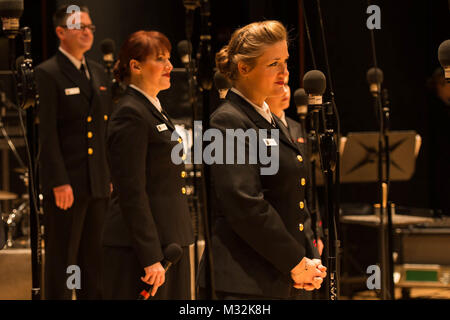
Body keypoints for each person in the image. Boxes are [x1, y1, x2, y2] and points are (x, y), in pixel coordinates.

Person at [199, 20, 327, 300]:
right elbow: (244, 204)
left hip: (281, 274)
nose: (284, 72)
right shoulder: (227, 121)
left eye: (285, 61)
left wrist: (308, 259)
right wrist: (295, 262)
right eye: (273, 64)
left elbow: (294, 199)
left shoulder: (269, 118)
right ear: (244, 68)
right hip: (243, 283)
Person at [102, 30, 194, 300]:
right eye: (161, 59)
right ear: (136, 66)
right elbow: (131, 192)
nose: (169, 66)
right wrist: (150, 255)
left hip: (170, 242)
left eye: (169, 59)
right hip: (142, 252)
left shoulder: (152, 108)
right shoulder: (130, 112)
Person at [35, 4, 112, 299]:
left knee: (94, 260)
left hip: (96, 182)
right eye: (80, 26)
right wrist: (58, 181)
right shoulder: (49, 72)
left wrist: (107, 174)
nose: (87, 32)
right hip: (67, 184)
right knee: (64, 259)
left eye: (90, 27)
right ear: (60, 32)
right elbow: (48, 134)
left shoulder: (96, 71)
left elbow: (102, 130)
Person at [266, 81, 325, 256]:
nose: (285, 91)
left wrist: (317, 231)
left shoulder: (297, 127)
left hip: (304, 220)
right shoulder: (262, 128)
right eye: (279, 86)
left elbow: (308, 186)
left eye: (287, 85)